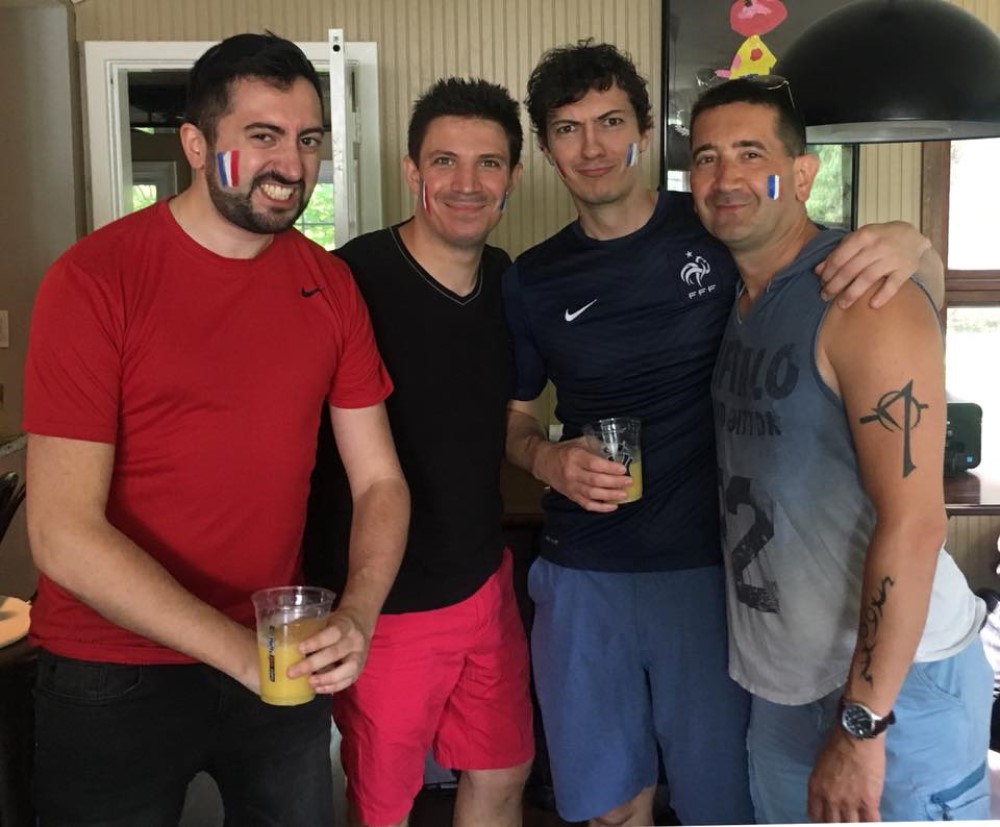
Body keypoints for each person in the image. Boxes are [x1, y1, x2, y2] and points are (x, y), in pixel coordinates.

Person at [502, 40, 945, 827]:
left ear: (644, 133)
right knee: (610, 808)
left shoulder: (718, 223)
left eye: (611, 122)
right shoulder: (531, 277)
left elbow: (857, 274)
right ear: (546, 147)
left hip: (712, 578)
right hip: (585, 569)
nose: (593, 146)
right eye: (568, 129)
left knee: (720, 807)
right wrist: (546, 457)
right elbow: (514, 417)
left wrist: (916, 242)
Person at [23, 32, 409, 827]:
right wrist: (241, 654)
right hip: (111, 669)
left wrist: (357, 615)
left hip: (278, 652)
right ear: (196, 145)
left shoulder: (329, 285)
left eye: (308, 139)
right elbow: (61, 533)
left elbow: (380, 481)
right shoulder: (94, 279)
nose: (292, 164)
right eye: (263, 136)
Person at [690, 76, 993, 822]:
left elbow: (915, 522)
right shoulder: (740, 295)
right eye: (705, 158)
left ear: (801, 174)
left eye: (751, 154)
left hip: (897, 691)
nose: (726, 177)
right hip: (784, 683)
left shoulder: (861, 294)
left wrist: (863, 723)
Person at [303, 78, 534, 827]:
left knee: (504, 772)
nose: (467, 184)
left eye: (488, 163)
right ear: (412, 172)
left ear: (512, 176)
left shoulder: (508, 283)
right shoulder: (346, 281)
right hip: (384, 604)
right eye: (444, 161)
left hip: (484, 582)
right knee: (383, 805)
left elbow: (513, 416)